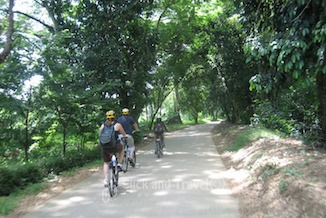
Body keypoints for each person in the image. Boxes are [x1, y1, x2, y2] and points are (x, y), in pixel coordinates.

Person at [99, 110, 128, 187]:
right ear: (114, 117)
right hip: (114, 147)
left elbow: (100, 136)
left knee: (106, 163)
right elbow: (124, 134)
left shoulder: (103, 126)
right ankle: (119, 163)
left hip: (104, 147)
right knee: (121, 149)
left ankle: (106, 180)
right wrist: (125, 137)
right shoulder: (117, 125)